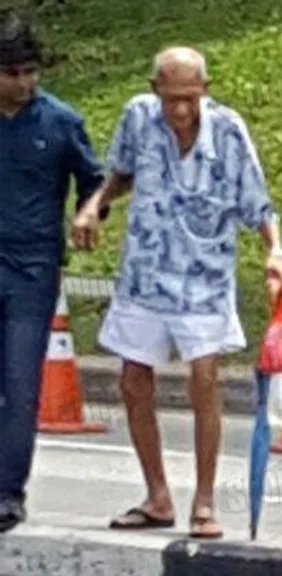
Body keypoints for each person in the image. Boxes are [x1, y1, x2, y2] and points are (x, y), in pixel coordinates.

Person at [71, 46, 282, 539]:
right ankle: (157, 495)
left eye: (191, 98)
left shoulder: (228, 131)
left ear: (205, 92)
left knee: (204, 377)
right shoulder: (138, 117)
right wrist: (94, 206)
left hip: (204, 274)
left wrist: (275, 251)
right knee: (133, 379)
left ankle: (205, 499)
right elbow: (122, 174)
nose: (181, 109)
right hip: (147, 268)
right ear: (155, 91)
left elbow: (258, 203)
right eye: (171, 98)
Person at [0, 10, 108, 533]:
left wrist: (89, 212)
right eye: (10, 73)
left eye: (29, 72)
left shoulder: (60, 122)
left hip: (32, 270)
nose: (23, 83)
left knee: (20, 385)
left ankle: (7, 492)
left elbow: (96, 182)